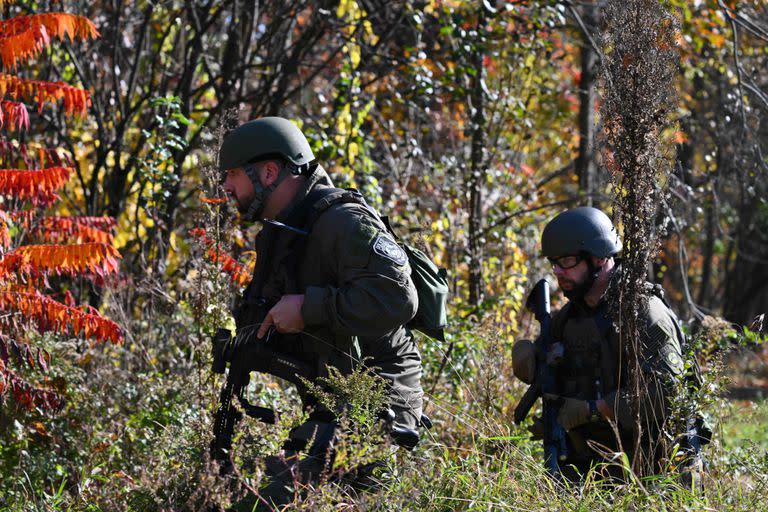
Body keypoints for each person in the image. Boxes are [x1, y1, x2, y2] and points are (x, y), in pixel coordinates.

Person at [217, 117, 425, 506]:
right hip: (332, 399)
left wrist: (309, 307)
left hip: (377, 396)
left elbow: (399, 299)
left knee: (270, 501)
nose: (226, 186)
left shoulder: (343, 222)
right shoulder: (278, 233)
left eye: (231, 174)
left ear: (269, 171)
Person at [512, 207, 690, 481]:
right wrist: (532, 361)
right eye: (554, 263)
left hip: (654, 468)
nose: (558, 271)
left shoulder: (644, 313)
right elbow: (554, 366)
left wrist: (593, 411)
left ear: (598, 258)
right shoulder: (568, 319)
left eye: (568, 261)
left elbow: (668, 392)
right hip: (593, 465)